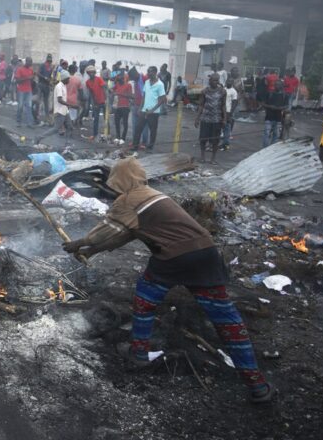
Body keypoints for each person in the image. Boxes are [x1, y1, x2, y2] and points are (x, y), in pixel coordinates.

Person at [62, 158, 274, 403]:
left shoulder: (129, 199)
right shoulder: (154, 195)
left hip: (173, 257)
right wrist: (92, 251)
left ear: (121, 180)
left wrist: (79, 243)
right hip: (206, 254)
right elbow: (127, 234)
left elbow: (106, 229)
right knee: (226, 319)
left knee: (145, 297)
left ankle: (139, 353)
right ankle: (257, 384)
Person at [132, 66, 166, 152]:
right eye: (147, 72)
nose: (148, 73)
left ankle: (150, 147)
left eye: (150, 72)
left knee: (153, 130)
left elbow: (162, 99)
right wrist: (140, 108)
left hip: (154, 112)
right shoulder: (146, 82)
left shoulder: (160, 84)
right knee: (138, 128)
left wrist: (152, 110)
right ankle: (135, 146)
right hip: (144, 110)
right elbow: (144, 96)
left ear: (155, 72)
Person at [195, 73, 227, 164]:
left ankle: (213, 158)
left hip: (217, 119)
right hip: (205, 118)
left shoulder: (222, 91)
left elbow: (223, 105)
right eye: (213, 80)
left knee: (215, 140)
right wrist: (197, 118)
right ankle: (202, 157)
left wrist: (224, 118)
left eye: (217, 80)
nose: (215, 82)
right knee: (203, 138)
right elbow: (201, 105)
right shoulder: (204, 91)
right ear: (209, 81)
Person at [35, 70, 72, 145]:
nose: (69, 80)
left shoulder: (64, 86)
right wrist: (70, 105)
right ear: (64, 78)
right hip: (60, 111)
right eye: (68, 78)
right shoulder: (59, 86)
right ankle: (39, 137)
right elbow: (59, 99)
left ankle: (67, 143)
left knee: (70, 127)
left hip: (64, 110)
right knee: (56, 129)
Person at [262, 80, 286, 148]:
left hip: (278, 118)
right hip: (269, 117)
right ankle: (265, 148)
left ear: (282, 86)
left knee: (276, 134)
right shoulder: (269, 94)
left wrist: (279, 108)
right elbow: (263, 104)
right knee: (266, 133)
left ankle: (272, 148)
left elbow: (286, 106)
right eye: (275, 85)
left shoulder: (284, 95)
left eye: (278, 85)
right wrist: (270, 106)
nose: (276, 86)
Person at [86, 66, 107, 139]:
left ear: (94, 73)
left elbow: (104, 88)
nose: (91, 74)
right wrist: (93, 102)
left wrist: (106, 99)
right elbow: (91, 93)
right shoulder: (87, 82)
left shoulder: (99, 79)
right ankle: (95, 134)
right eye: (90, 72)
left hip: (103, 101)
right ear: (88, 73)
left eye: (92, 72)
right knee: (96, 118)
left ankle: (108, 133)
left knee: (106, 118)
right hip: (96, 102)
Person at [112, 72, 133, 143]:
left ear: (123, 79)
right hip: (117, 106)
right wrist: (112, 91)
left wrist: (119, 94)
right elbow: (112, 89)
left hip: (125, 106)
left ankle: (123, 138)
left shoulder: (128, 85)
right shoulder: (117, 84)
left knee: (125, 123)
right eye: (118, 80)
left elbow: (130, 96)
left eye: (120, 80)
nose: (119, 81)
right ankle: (118, 136)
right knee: (117, 122)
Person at [14, 57, 34, 127]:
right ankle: (18, 121)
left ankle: (29, 123)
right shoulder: (20, 69)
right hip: (21, 90)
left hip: (29, 90)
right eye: (30, 62)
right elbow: (17, 80)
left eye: (31, 62)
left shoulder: (31, 70)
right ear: (26, 62)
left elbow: (31, 80)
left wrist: (32, 79)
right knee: (20, 106)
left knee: (29, 107)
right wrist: (27, 78)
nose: (31, 63)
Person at [221, 78, 238, 151]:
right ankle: (217, 144)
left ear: (232, 82)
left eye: (230, 81)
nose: (229, 82)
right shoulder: (223, 89)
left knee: (227, 128)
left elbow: (234, 103)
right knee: (219, 128)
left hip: (228, 111)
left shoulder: (234, 91)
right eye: (228, 81)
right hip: (221, 111)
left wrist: (230, 113)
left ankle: (226, 145)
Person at [37, 54, 54, 123]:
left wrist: (50, 80)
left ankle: (46, 116)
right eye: (48, 60)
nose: (49, 61)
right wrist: (44, 77)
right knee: (39, 100)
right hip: (41, 84)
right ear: (47, 59)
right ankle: (37, 114)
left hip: (47, 86)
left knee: (46, 101)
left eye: (50, 60)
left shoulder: (50, 67)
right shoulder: (42, 65)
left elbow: (50, 76)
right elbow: (38, 74)